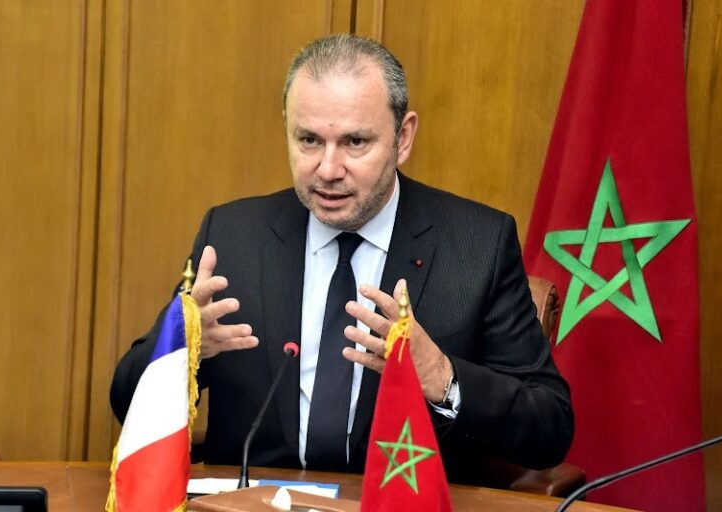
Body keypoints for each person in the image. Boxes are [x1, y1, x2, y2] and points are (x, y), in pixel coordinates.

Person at [110, 34, 572, 483]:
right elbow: (126, 400)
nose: (328, 170)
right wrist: (181, 351)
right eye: (309, 140)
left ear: (403, 137)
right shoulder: (233, 237)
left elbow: (549, 427)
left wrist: (441, 377)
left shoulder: (476, 245)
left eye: (355, 142)